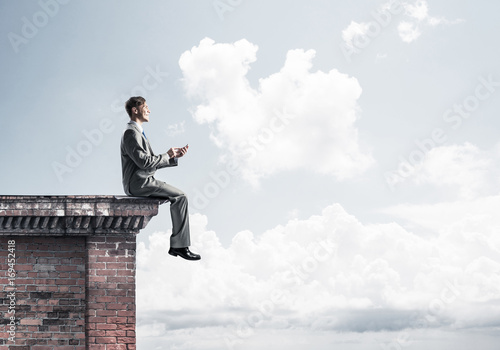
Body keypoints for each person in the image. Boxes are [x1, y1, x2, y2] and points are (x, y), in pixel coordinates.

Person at [120, 96, 200, 261]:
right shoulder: (131, 133)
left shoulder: (137, 132)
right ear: (135, 110)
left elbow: (148, 163)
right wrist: (167, 155)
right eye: (146, 107)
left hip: (143, 181)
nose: (149, 110)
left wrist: (172, 157)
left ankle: (178, 245)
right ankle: (179, 246)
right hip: (139, 184)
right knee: (180, 197)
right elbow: (145, 163)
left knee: (179, 196)